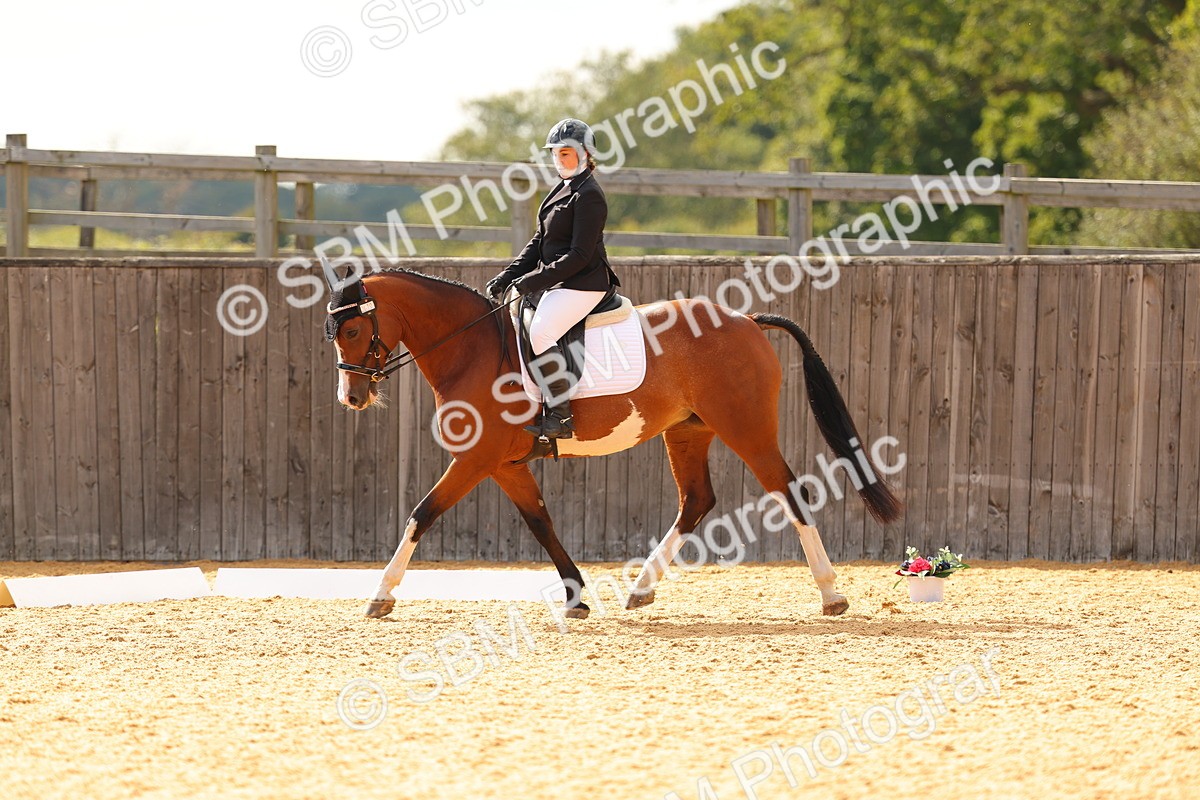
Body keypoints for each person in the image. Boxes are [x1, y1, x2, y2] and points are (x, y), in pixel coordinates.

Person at [485, 118, 621, 441]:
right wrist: (508, 276)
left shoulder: (590, 195)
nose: (559, 161)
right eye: (556, 155)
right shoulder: (562, 188)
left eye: (566, 155)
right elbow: (538, 242)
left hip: (585, 282)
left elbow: (578, 256)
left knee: (542, 329)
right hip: (560, 280)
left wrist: (530, 282)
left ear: (586, 154)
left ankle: (561, 414)